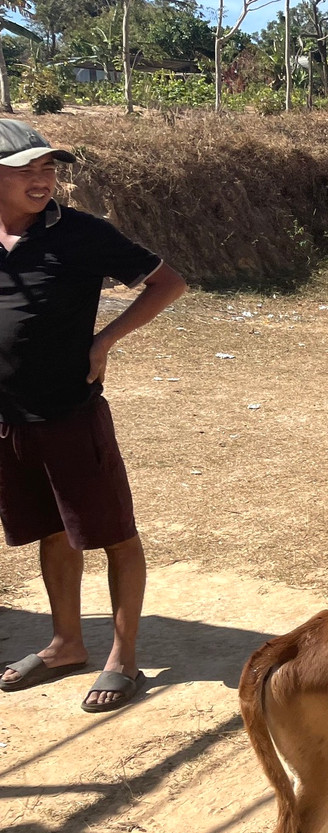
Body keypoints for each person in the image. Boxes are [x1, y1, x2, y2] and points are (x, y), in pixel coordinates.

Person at [0, 120, 186, 711]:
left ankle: (123, 658)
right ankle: (65, 644)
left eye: (49, 168)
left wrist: (104, 341)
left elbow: (167, 283)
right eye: (27, 169)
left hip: (71, 414)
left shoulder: (82, 233)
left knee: (114, 535)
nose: (42, 179)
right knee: (52, 531)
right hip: (8, 421)